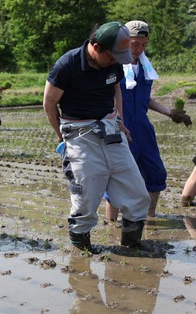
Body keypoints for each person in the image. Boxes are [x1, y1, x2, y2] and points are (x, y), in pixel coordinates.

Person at [43, 22, 150, 252]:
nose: (115, 61)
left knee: (136, 190)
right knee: (86, 192)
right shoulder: (67, 65)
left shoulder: (115, 63)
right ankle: (82, 250)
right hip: (78, 130)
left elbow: (116, 90)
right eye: (112, 56)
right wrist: (62, 136)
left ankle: (132, 246)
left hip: (109, 125)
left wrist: (119, 120)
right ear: (96, 46)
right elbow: (49, 104)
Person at [105, 20, 192, 220]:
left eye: (144, 44)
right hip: (120, 127)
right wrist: (117, 125)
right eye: (135, 44)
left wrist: (169, 113)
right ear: (124, 41)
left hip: (143, 129)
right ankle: (111, 225)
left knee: (156, 174)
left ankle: (149, 219)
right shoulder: (114, 66)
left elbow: (145, 99)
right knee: (120, 179)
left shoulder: (145, 66)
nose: (139, 49)